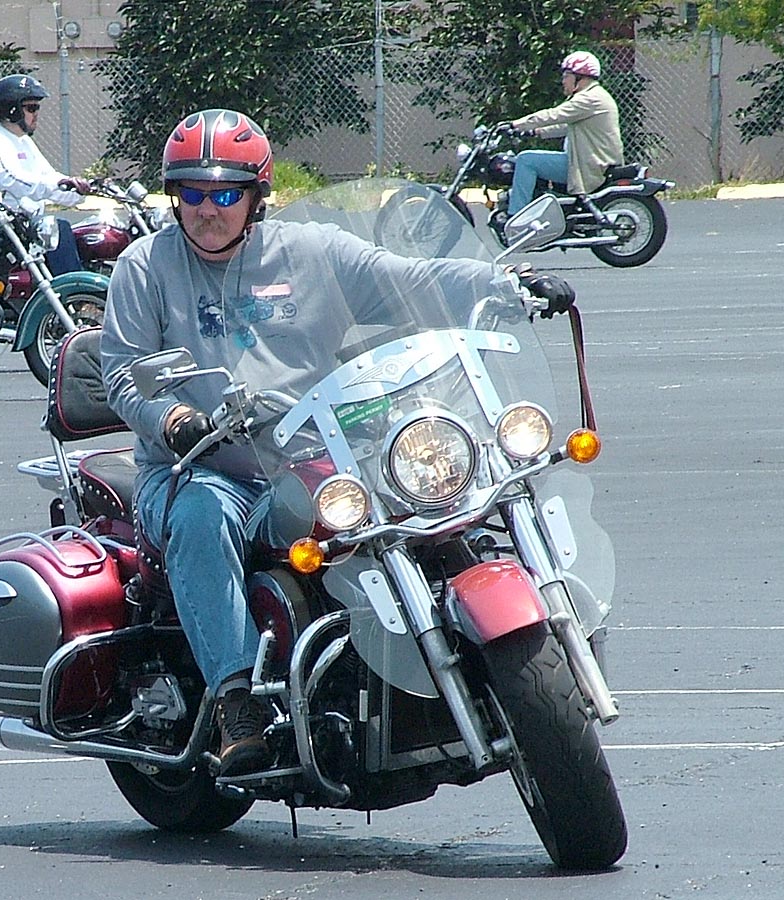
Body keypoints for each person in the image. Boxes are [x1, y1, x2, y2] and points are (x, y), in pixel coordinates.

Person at [99, 109, 576, 776]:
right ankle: (238, 699)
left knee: (418, 491)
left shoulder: (312, 252)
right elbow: (123, 372)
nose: (208, 210)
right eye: (193, 193)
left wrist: (508, 283)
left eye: (225, 194)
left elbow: (411, 279)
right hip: (202, 466)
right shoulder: (145, 267)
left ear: (256, 197)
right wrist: (175, 418)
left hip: (310, 454)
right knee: (202, 517)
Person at [0, 74, 92, 276]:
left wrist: (78, 190)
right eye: (31, 108)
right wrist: (59, 184)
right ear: (12, 109)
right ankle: (73, 289)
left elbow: (48, 176)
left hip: (21, 222)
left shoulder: (24, 142)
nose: (36, 114)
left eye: (37, 108)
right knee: (58, 229)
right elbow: (16, 181)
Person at [500, 51, 624, 228]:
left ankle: (516, 220)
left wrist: (515, 124)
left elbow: (554, 115)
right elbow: (565, 126)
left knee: (526, 160)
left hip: (587, 166)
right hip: (590, 162)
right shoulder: (596, 96)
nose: (563, 80)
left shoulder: (588, 99)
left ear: (580, 78)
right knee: (531, 159)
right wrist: (534, 132)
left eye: (567, 76)